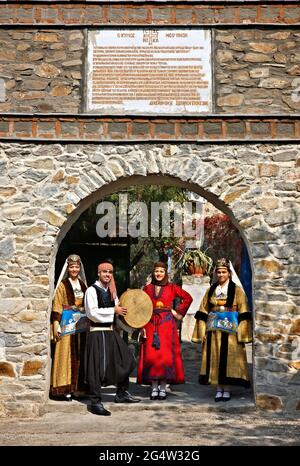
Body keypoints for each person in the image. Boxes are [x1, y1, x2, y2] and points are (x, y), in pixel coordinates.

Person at [84, 260, 140, 416]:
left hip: (110, 332)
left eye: (110, 272)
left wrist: (132, 329)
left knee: (127, 359)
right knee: (96, 368)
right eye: (104, 272)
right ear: (99, 273)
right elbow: (92, 313)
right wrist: (113, 310)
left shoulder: (111, 293)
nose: (107, 274)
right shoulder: (91, 291)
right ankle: (95, 402)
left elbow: (118, 315)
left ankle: (121, 392)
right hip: (96, 333)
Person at [192, 257, 252, 402]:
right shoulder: (210, 290)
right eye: (218, 272)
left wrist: (242, 332)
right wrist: (201, 331)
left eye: (224, 272)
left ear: (229, 274)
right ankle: (219, 389)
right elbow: (202, 311)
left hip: (231, 330)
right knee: (216, 357)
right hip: (213, 330)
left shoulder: (237, 291)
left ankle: (227, 389)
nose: (221, 275)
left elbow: (244, 311)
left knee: (229, 358)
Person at [137, 261, 193, 400]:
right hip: (150, 324)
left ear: (165, 272)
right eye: (156, 271)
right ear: (153, 272)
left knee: (165, 355)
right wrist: (141, 327)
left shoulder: (172, 287)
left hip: (167, 325)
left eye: (161, 271)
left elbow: (187, 298)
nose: (159, 274)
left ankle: (163, 387)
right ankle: (154, 387)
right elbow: (141, 307)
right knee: (152, 355)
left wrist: (176, 312)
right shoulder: (147, 289)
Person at [50, 254, 87, 401]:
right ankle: (64, 389)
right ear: (68, 268)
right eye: (72, 267)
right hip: (66, 324)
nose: (74, 269)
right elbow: (57, 304)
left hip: (81, 325)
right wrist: (56, 324)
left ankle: (78, 388)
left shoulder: (84, 285)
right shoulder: (62, 285)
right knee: (65, 355)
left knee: (80, 354)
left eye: (77, 267)